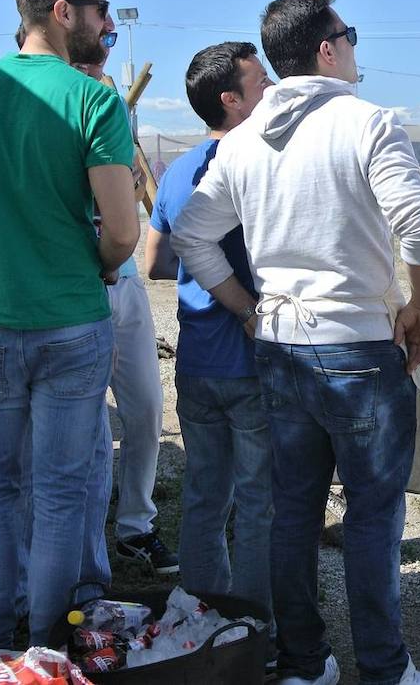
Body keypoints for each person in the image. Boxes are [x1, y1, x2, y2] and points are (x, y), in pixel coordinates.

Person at [171, 0, 420, 685]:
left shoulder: (242, 141)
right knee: (371, 516)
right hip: (356, 348)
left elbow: (190, 234)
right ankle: (386, 670)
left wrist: (245, 304)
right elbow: (419, 227)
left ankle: (306, 662)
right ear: (327, 49)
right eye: (350, 34)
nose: (355, 47)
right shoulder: (366, 122)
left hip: (279, 350)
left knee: (294, 511)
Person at [0, 0, 138, 646]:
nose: (107, 22)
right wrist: (94, 265)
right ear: (63, 12)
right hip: (70, 321)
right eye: (100, 10)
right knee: (61, 493)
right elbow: (122, 231)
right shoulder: (93, 98)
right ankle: (47, 643)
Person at [145, 42, 273, 607]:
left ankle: (197, 616)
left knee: (203, 495)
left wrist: (200, 277)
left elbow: (153, 263)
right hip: (251, 360)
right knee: (258, 500)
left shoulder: (175, 171)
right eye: (261, 82)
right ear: (232, 100)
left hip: (198, 365)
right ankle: (256, 624)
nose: (271, 90)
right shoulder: (257, 163)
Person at [72, 48, 177, 576]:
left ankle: (136, 525)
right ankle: (86, 540)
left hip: (126, 284)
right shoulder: (52, 110)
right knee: (86, 425)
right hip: (75, 291)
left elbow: (137, 199)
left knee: (145, 409)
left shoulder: (110, 104)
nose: (97, 63)